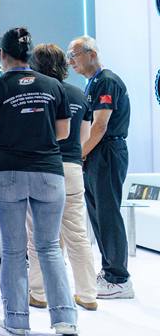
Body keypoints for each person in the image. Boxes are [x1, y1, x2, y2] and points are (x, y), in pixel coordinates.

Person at [0, 26, 77, 336]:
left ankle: (17, 319)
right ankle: (64, 318)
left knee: (13, 249)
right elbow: (63, 133)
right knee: (49, 247)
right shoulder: (54, 86)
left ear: (2, 54)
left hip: (8, 171)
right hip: (49, 172)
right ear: (30, 55)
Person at [26, 44, 98, 311]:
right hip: (72, 169)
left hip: (43, 167)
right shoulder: (79, 93)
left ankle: (39, 293)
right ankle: (87, 294)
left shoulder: (37, 93)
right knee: (77, 233)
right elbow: (84, 137)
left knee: (40, 236)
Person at [68, 35, 133, 299]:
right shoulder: (92, 84)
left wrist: (80, 154)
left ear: (91, 54)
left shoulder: (107, 81)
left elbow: (100, 125)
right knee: (97, 214)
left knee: (107, 213)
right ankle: (108, 272)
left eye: (74, 55)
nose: (70, 61)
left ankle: (119, 278)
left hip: (107, 151)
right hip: (97, 153)